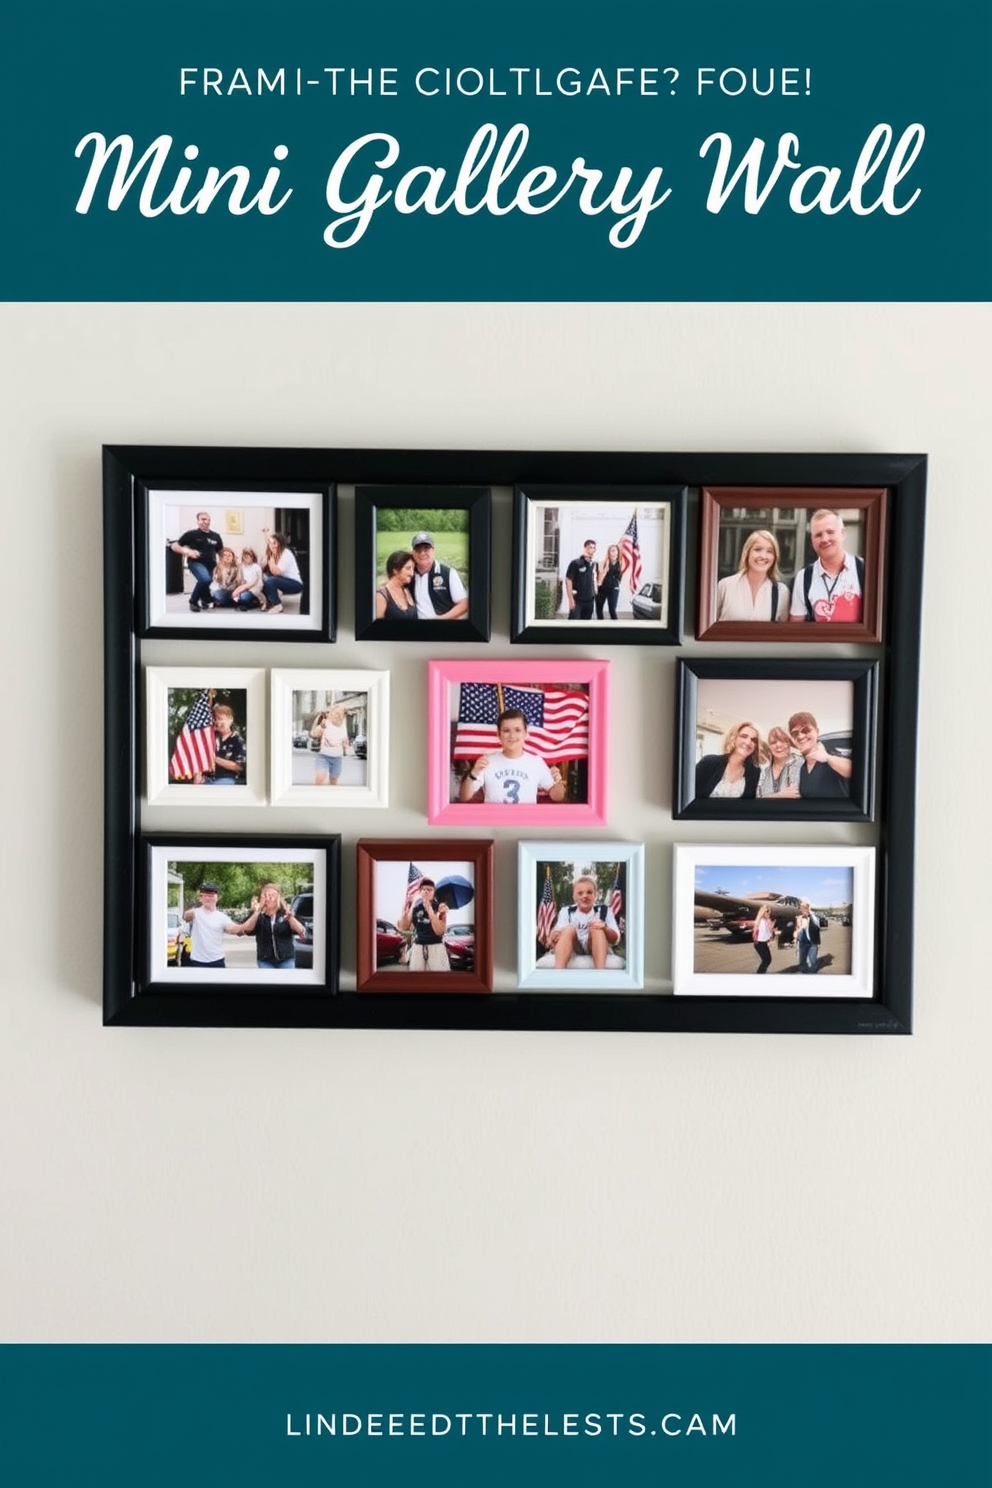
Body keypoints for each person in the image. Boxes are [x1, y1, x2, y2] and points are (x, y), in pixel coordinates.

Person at [459, 707, 566, 805]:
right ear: (498, 734)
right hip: (494, 823)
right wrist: (473, 773)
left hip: (526, 822)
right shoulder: (487, 761)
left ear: (525, 733)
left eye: (517, 730)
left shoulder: (536, 762)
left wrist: (558, 781)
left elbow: (557, 796)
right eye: (506, 730)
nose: (512, 736)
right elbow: (464, 797)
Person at [790, 509, 865, 624]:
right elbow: (796, 627)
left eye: (830, 532)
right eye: (818, 535)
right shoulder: (803, 577)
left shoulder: (865, 570)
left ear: (843, 533)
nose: (824, 539)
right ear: (812, 541)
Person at [716, 529, 790, 622]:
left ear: (775, 557)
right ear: (747, 553)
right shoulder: (725, 586)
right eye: (758, 549)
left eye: (770, 551)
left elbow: (781, 632)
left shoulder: (781, 592)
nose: (763, 556)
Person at [549, 875, 621, 968]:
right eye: (580, 893)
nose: (585, 896)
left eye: (589, 892)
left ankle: (600, 975)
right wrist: (555, 934)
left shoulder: (605, 910)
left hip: (596, 945)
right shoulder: (566, 911)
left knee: (597, 929)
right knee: (568, 929)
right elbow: (557, 934)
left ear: (596, 895)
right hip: (574, 947)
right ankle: (558, 974)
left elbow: (615, 939)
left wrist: (605, 928)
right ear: (574, 896)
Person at [182, 882, 250, 968]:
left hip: (217, 961)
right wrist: (188, 913)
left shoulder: (222, 917)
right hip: (197, 961)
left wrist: (251, 919)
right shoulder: (195, 913)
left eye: (212, 895)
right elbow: (185, 916)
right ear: (201, 897)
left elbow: (236, 929)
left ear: (217, 897)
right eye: (206, 895)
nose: (209, 898)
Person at [239, 882, 305, 969]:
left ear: (278, 897)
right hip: (265, 961)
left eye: (272, 895)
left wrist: (289, 916)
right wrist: (257, 912)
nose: (269, 898)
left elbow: (300, 930)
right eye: (265, 895)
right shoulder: (258, 915)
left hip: (286, 960)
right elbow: (247, 929)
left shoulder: (285, 912)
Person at [787, 711, 852, 798]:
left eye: (805, 730)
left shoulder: (832, 755)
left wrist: (828, 758)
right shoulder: (803, 768)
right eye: (795, 733)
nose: (800, 736)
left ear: (817, 732)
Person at [171, 511, 223, 613]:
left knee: (206, 581)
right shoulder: (191, 534)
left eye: (208, 519)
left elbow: (220, 551)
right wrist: (188, 551)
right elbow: (174, 546)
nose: (206, 522)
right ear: (198, 521)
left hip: (211, 565)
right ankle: (193, 601)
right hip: (196, 563)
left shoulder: (216, 536)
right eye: (203, 519)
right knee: (205, 579)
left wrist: (222, 565)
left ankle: (205, 599)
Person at [409, 531, 468, 620]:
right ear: (412, 552)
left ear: (433, 550)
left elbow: (464, 603)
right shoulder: (409, 574)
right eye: (418, 549)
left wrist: (442, 619)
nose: (422, 553)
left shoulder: (448, 573)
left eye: (426, 548)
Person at [694, 721, 762, 799]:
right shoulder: (709, 762)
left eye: (754, 740)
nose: (748, 742)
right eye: (743, 736)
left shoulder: (755, 772)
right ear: (734, 738)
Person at [397, 879, 450, 972]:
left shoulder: (440, 907)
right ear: (420, 891)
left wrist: (430, 910)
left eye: (429, 889)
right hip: (418, 947)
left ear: (434, 893)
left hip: (436, 947)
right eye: (423, 889)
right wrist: (405, 911)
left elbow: (439, 931)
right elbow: (404, 927)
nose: (426, 891)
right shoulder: (415, 907)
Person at [196, 703, 246, 785]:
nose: (220, 722)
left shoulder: (237, 740)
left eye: (223, 719)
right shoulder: (210, 739)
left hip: (228, 779)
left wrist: (215, 759)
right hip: (208, 778)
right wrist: (197, 776)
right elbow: (199, 759)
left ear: (231, 720)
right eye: (217, 719)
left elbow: (239, 767)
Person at [261, 532, 304, 614]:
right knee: (264, 577)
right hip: (282, 581)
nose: (272, 545)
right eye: (270, 543)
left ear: (280, 543)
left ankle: (277, 605)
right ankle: (269, 601)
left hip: (295, 584)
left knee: (270, 581)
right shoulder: (274, 553)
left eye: (274, 543)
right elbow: (262, 568)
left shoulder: (286, 554)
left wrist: (271, 559)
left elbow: (276, 572)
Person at [756, 725, 803, 798]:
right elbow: (757, 796)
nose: (778, 745)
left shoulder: (801, 763)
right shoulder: (763, 769)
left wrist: (798, 744)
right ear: (769, 746)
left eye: (783, 741)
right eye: (773, 742)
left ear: (790, 743)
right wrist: (778, 795)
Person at [310, 704, 351, 786]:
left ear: (342, 717)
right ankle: (314, 794)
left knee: (333, 780)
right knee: (320, 777)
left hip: (337, 758)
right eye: (334, 714)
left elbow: (345, 740)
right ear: (331, 714)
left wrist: (347, 746)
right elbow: (314, 733)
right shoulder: (326, 722)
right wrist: (321, 727)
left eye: (339, 715)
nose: (336, 717)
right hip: (323, 756)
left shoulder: (343, 725)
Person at [375, 550, 418, 621]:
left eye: (413, 569)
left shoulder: (407, 590)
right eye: (408, 568)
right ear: (395, 570)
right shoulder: (381, 595)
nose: (412, 574)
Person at [565, 539, 597, 620]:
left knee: (586, 626)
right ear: (585, 548)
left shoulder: (593, 564)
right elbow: (568, 580)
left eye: (594, 548)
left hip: (589, 600)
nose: (592, 550)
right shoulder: (576, 563)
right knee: (574, 624)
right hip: (578, 600)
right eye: (590, 547)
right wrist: (571, 599)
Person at [595, 542, 624, 620]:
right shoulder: (602, 562)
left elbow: (620, 578)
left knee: (612, 610)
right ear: (608, 552)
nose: (615, 553)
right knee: (599, 609)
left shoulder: (620, 564)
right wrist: (606, 567)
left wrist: (616, 586)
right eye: (613, 551)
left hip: (613, 589)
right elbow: (599, 579)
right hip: (602, 589)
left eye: (616, 551)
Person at [795, 900, 821, 974]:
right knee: (802, 962)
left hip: (812, 943)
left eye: (804, 907)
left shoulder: (814, 917)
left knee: (813, 961)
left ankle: (813, 974)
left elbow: (817, 926)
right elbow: (797, 930)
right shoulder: (799, 917)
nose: (802, 909)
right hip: (802, 943)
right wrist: (797, 928)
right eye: (801, 907)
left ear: (808, 908)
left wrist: (810, 914)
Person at [752, 904, 775, 973]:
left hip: (763, 943)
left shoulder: (766, 921)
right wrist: (763, 910)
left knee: (768, 960)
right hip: (759, 943)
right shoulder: (759, 920)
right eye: (766, 912)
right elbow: (756, 923)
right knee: (766, 960)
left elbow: (769, 932)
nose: (768, 913)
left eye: (769, 912)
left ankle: (761, 973)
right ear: (762, 912)